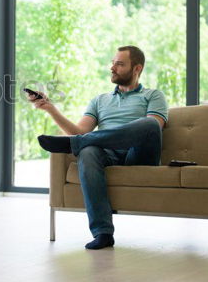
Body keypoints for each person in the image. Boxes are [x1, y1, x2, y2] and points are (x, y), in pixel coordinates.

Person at [27, 46, 168, 250]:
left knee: (149, 124)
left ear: (137, 68)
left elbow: (154, 128)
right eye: (113, 62)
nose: (112, 67)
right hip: (107, 154)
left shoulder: (153, 95)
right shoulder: (100, 100)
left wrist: (81, 138)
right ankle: (102, 233)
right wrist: (51, 109)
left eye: (120, 64)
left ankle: (74, 144)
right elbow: (80, 130)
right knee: (88, 150)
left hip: (138, 154)